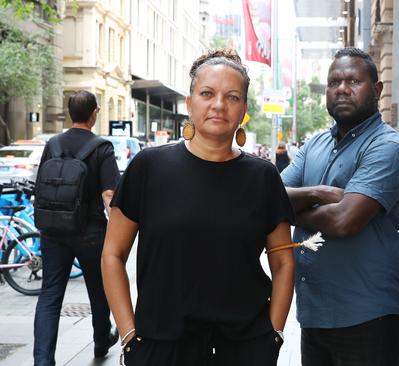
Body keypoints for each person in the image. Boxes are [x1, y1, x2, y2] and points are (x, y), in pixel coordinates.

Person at [101, 48, 295, 366]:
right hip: (161, 347)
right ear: (190, 103)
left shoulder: (263, 177)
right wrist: (128, 336)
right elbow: (112, 254)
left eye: (232, 97)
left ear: (243, 109)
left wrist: (274, 335)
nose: (219, 104)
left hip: (244, 348)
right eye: (207, 93)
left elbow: (284, 262)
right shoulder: (149, 167)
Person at [281, 47, 399, 366]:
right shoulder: (315, 144)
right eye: (333, 82)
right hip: (315, 316)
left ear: (377, 90)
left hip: (368, 319)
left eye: (353, 80)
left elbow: (344, 221)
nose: (341, 88)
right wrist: (321, 192)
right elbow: (270, 196)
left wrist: (293, 207)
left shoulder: (388, 148)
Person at [33, 90, 120, 365]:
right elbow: (110, 196)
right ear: (94, 113)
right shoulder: (102, 147)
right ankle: (100, 342)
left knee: (50, 294)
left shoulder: (53, 144)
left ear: (71, 113)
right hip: (90, 232)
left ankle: (43, 360)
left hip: (53, 231)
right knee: (98, 289)